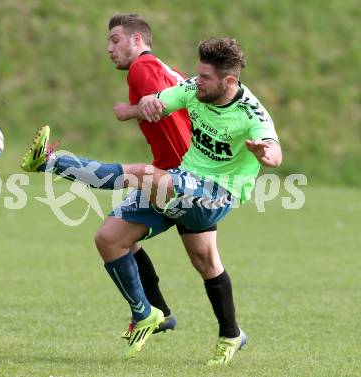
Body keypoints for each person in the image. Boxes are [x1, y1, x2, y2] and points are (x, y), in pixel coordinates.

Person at [20, 37, 282, 365]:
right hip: (182, 180)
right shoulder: (193, 89)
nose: (197, 81)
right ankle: (169, 319)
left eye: (205, 77)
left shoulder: (251, 113)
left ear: (229, 81)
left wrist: (266, 153)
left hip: (214, 196)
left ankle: (49, 162)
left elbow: (274, 149)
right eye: (198, 74)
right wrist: (139, 107)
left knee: (145, 174)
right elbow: (160, 103)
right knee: (112, 240)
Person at [106, 13, 193, 338]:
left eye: (115, 40)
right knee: (207, 264)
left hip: (176, 175)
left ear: (137, 40)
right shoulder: (162, 68)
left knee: (111, 239)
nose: (109, 48)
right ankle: (161, 313)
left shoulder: (143, 68)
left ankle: (148, 312)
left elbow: (159, 105)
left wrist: (128, 111)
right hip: (188, 171)